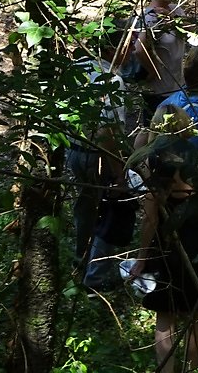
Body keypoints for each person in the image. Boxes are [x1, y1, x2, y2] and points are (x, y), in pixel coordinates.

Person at [130, 104, 198, 373]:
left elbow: (150, 216)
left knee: (165, 317)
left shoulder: (151, 162)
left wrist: (141, 258)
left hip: (166, 243)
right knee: (195, 315)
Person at [65, 26, 132, 289]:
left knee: (86, 206)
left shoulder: (78, 66)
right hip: (97, 156)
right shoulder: (112, 81)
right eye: (124, 47)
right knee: (110, 212)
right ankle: (96, 278)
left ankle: (79, 259)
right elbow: (108, 134)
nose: (130, 52)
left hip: (74, 150)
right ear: (109, 49)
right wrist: (119, 175)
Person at [136, 0, 188, 125]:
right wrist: (153, 71)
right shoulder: (150, 18)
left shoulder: (175, 9)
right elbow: (139, 49)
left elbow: (191, 31)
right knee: (155, 130)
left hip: (177, 85)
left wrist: (174, 20)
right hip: (159, 90)